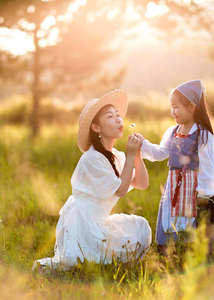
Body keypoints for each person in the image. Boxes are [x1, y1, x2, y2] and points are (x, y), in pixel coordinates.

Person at [33, 89, 152, 271]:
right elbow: (120, 190)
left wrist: (137, 155)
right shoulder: (92, 159)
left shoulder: (117, 157)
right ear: (96, 127)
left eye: (118, 115)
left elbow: (142, 184)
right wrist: (129, 156)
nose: (118, 119)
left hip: (99, 221)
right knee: (80, 264)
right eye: (110, 117)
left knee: (141, 228)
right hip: (81, 223)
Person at [136, 79, 214, 258]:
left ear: (191, 107)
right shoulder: (172, 132)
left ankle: (192, 258)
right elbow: (159, 152)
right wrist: (142, 144)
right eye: (171, 107)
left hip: (194, 191)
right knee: (170, 222)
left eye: (176, 107)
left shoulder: (203, 135)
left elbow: (207, 166)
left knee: (195, 229)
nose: (172, 112)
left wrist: (204, 193)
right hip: (174, 188)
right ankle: (169, 257)